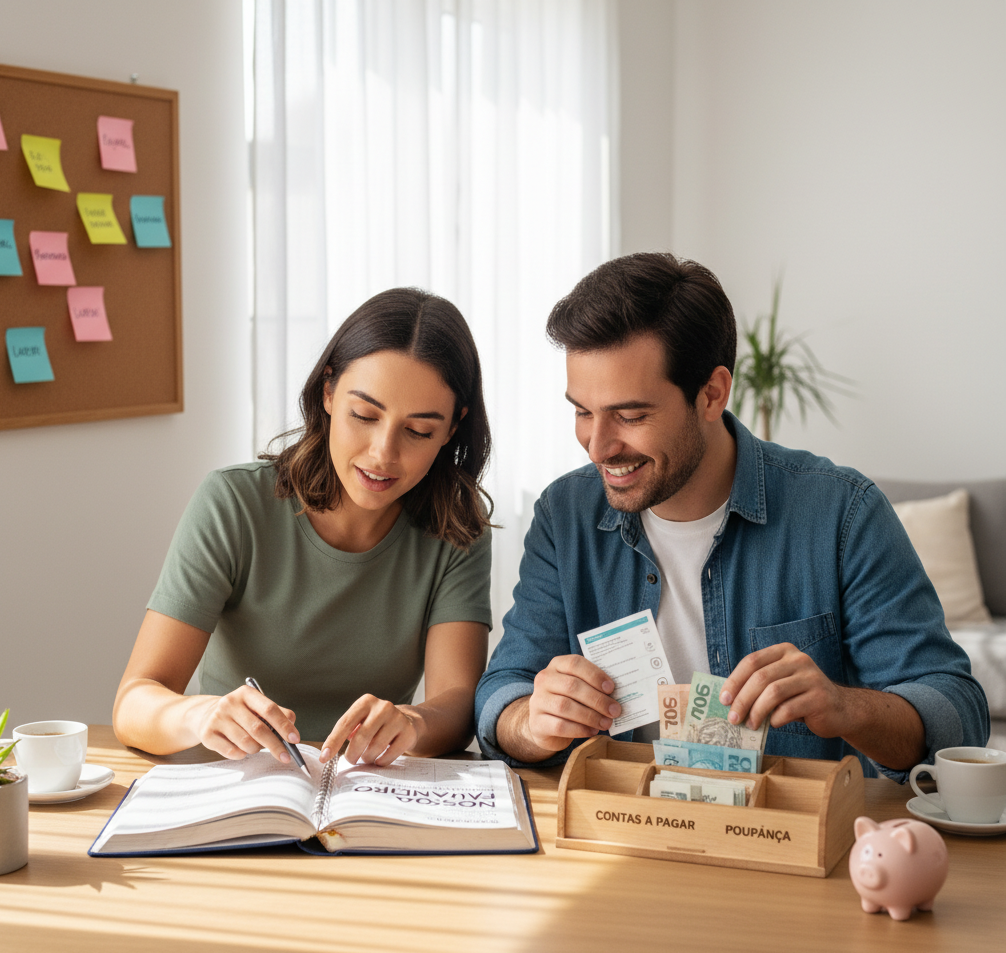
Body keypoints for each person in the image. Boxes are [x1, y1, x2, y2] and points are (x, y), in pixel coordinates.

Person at [475, 252, 989, 780]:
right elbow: (501, 693)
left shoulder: (842, 514)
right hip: (621, 834)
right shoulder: (565, 517)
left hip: (786, 845)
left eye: (630, 415)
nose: (598, 445)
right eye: (583, 411)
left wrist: (844, 707)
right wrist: (532, 723)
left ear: (712, 394)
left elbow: (959, 714)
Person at [114, 287, 493, 768]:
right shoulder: (234, 504)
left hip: (368, 794)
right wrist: (200, 714)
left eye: (418, 431)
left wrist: (413, 723)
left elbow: (457, 709)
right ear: (328, 392)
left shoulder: (458, 530)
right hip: (232, 789)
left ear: (452, 428)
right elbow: (133, 703)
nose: (383, 453)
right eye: (365, 415)